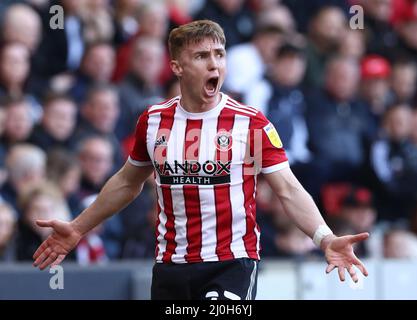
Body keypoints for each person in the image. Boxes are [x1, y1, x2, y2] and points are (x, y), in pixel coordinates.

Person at [32, 20, 369, 300]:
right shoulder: (152, 121)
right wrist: (78, 227)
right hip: (171, 265)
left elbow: (289, 190)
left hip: (231, 264)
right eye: (202, 56)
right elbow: (126, 182)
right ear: (177, 67)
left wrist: (325, 237)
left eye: (219, 54)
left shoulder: (250, 122)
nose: (214, 64)